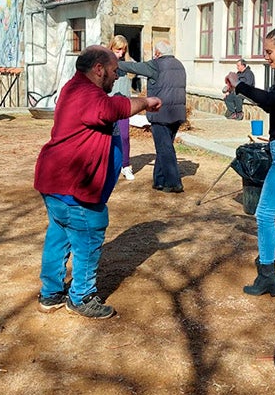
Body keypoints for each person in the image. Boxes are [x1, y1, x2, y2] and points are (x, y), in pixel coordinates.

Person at [34, 45, 161, 319]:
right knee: (88, 236)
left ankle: (51, 293)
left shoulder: (76, 88)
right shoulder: (85, 93)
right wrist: (146, 102)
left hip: (58, 183)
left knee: (59, 236)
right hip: (74, 187)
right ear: (99, 69)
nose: (117, 77)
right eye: (115, 71)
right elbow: (114, 108)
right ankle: (81, 297)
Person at [226, 28, 275, 296]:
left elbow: (271, 103)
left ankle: (268, 275)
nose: (266, 56)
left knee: (264, 215)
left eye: (270, 51)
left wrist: (240, 85)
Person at [117, 39, 187, 193]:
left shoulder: (155, 65)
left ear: (157, 53)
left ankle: (174, 182)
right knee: (164, 147)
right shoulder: (180, 65)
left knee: (164, 148)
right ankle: (159, 181)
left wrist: (115, 63)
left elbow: (134, 67)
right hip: (178, 114)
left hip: (161, 113)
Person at [109, 35, 134, 181]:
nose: (120, 54)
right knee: (107, 137)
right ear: (111, 48)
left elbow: (141, 69)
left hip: (124, 106)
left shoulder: (128, 64)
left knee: (124, 136)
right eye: (118, 50)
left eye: (123, 51)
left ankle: (126, 166)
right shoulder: (103, 64)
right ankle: (108, 165)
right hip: (108, 104)